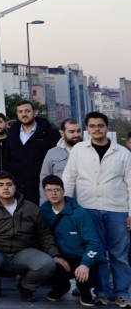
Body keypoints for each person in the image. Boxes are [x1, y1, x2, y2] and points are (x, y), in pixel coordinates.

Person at [63, 111, 131, 306]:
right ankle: (101, 292)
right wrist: (68, 207)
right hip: (88, 208)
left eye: (100, 125)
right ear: (87, 129)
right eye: (92, 126)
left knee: (119, 255)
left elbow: (130, 183)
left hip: (117, 209)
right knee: (97, 253)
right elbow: (69, 178)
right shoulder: (79, 150)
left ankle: (122, 293)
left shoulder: (123, 153)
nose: (97, 129)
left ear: (107, 127)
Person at [0, 171, 60, 301]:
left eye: (9, 184)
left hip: (22, 252)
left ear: (15, 187)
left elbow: (44, 234)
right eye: (0, 185)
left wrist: (55, 254)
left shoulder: (30, 207)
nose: (5, 188)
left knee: (48, 264)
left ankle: (26, 286)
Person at [40, 174, 99, 305]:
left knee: (88, 275)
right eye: (49, 190)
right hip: (58, 256)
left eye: (57, 190)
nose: (53, 193)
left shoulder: (79, 213)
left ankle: (84, 291)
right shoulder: (43, 211)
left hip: (79, 256)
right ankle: (61, 288)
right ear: (44, 192)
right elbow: (40, 236)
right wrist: (55, 256)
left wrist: (85, 264)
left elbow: (94, 242)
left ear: (64, 191)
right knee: (48, 268)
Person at [39, 118, 82, 199]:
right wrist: (45, 204)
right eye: (71, 132)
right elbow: (44, 180)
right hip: (61, 202)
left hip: (85, 202)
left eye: (79, 131)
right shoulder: (52, 153)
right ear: (62, 133)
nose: (76, 135)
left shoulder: (89, 152)